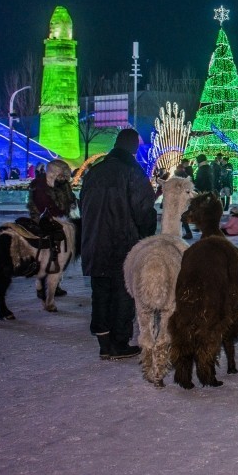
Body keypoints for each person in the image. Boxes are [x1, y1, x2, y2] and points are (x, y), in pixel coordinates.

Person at [79, 128, 156, 360]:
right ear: (132, 147)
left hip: (94, 241)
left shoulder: (95, 172)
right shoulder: (133, 173)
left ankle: (104, 342)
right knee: (123, 293)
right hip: (123, 244)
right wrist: (145, 238)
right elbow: (144, 211)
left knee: (100, 292)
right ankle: (119, 342)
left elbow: (82, 204)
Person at [29, 159, 76, 299]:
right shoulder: (39, 184)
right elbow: (39, 205)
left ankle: (54, 284)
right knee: (45, 256)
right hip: (45, 224)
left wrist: (72, 203)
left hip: (62, 223)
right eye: (62, 174)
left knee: (61, 256)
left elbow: (70, 198)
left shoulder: (63, 184)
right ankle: (40, 285)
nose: (64, 178)